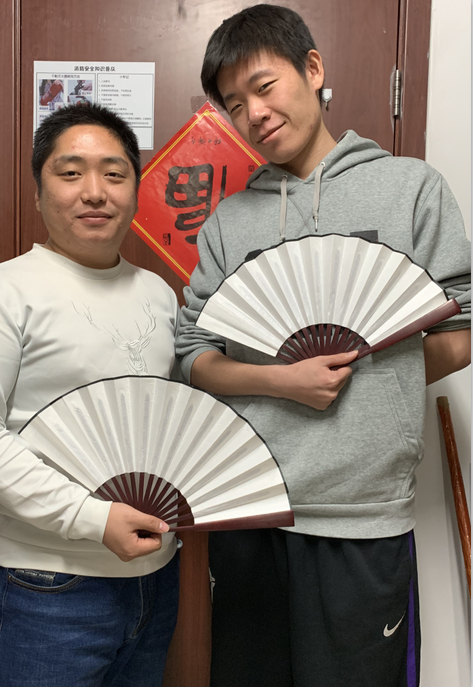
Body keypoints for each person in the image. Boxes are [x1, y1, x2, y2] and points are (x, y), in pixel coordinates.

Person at [176, 5, 471, 687]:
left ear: (312, 69)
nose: (253, 113)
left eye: (264, 86)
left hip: (363, 515)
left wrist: (369, 378)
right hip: (248, 507)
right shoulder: (229, 221)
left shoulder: (409, 189)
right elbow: (192, 354)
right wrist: (280, 381)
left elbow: (457, 334)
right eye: (234, 104)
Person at [0, 103, 180, 687]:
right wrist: (91, 518)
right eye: (71, 172)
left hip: (157, 577)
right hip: (48, 583)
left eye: (114, 173)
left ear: (135, 191)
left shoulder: (160, 294)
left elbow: (170, 421)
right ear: (38, 192)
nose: (94, 192)